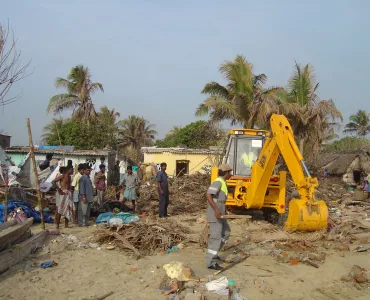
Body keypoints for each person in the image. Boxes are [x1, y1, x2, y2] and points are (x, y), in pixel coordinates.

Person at [205, 164, 232, 270]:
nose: (231, 175)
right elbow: (208, 195)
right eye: (230, 172)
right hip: (215, 215)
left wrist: (226, 211)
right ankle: (211, 262)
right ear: (226, 173)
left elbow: (220, 201)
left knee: (226, 233)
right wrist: (216, 210)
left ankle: (215, 253)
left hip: (221, 214)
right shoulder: (218, 182)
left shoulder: (223, 182)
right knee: (216, 237)